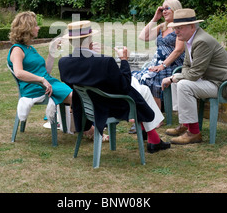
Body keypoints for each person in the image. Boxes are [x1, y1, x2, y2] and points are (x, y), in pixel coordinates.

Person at [58, 20, 171, 154]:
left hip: (86, 106)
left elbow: (84, 75)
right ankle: (153, 137)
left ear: (72, 41)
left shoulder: (64, 63)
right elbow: (124, 86)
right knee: (141, 90)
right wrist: (124, 60)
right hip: (110, 106)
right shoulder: (105, 62)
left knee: (143, 89)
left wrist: (91, 54)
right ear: (89, 38)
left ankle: (150, 136)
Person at [161, 8, 227, 145]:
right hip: (211, 79)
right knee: (178, 80)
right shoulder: (189, 38)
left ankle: (194, 133)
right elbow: (186, 66)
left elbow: (194, 74)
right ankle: (185, 124)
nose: (176, 31)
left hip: (225, 84)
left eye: (180, 28)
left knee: (182, 83)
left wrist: (173, 78)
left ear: (192, 26)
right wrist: (176, 78)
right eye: (175, 28)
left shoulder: (202, 41)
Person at [7, 11, 73, 124]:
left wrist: (52, 51)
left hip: (46, 83)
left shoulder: (29, 48)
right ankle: (88, 128)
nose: (38, 28)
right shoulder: (17, 49)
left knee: (79, 97)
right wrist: (41, 80)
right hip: (35, 87)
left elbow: (45, 71)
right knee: (78, 98)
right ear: (27, 28)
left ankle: (75, 124)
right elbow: (19, 73)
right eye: (36, 25)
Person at [132, 0, 185, 112]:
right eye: (162, 9)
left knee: (151, 79)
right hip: (157, 65)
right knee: (135, 77)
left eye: (167, 8)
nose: (164, 11)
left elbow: (178, 50)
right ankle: (143, 112)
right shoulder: (163, 26)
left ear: (175, 10)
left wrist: (163, 66)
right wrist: (155, 18)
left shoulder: (180, 26)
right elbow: (143, 37)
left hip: (172, 66)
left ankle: (156, 116)